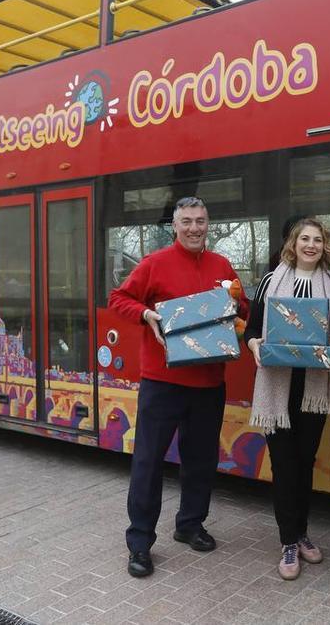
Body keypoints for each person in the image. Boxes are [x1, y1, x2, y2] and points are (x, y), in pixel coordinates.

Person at [107, 196, 250, 578]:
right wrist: (146, 313)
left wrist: (238, 306)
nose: (194, 228)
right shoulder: (154, 263)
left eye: (200, 221)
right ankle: (140, 542)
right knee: (149, 461)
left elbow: (243, 310)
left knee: (201, 459)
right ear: (175, 226)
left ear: (208, 224)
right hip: (162, 382)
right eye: (186, 221)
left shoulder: (222, 265)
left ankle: (190, 524)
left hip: (209, 381)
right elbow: (118, 298)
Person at [245, 217, 330, 580]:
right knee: (284, 464)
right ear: (294, 243)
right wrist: (255, 346)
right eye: (305, 238)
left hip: (313, 388)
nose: (311, 245)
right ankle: (288, 541)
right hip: (277, 386)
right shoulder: (270, 281)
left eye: (317, 240)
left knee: (304, 463)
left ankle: (301, 532)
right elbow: (252, 330)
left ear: (325, 246)